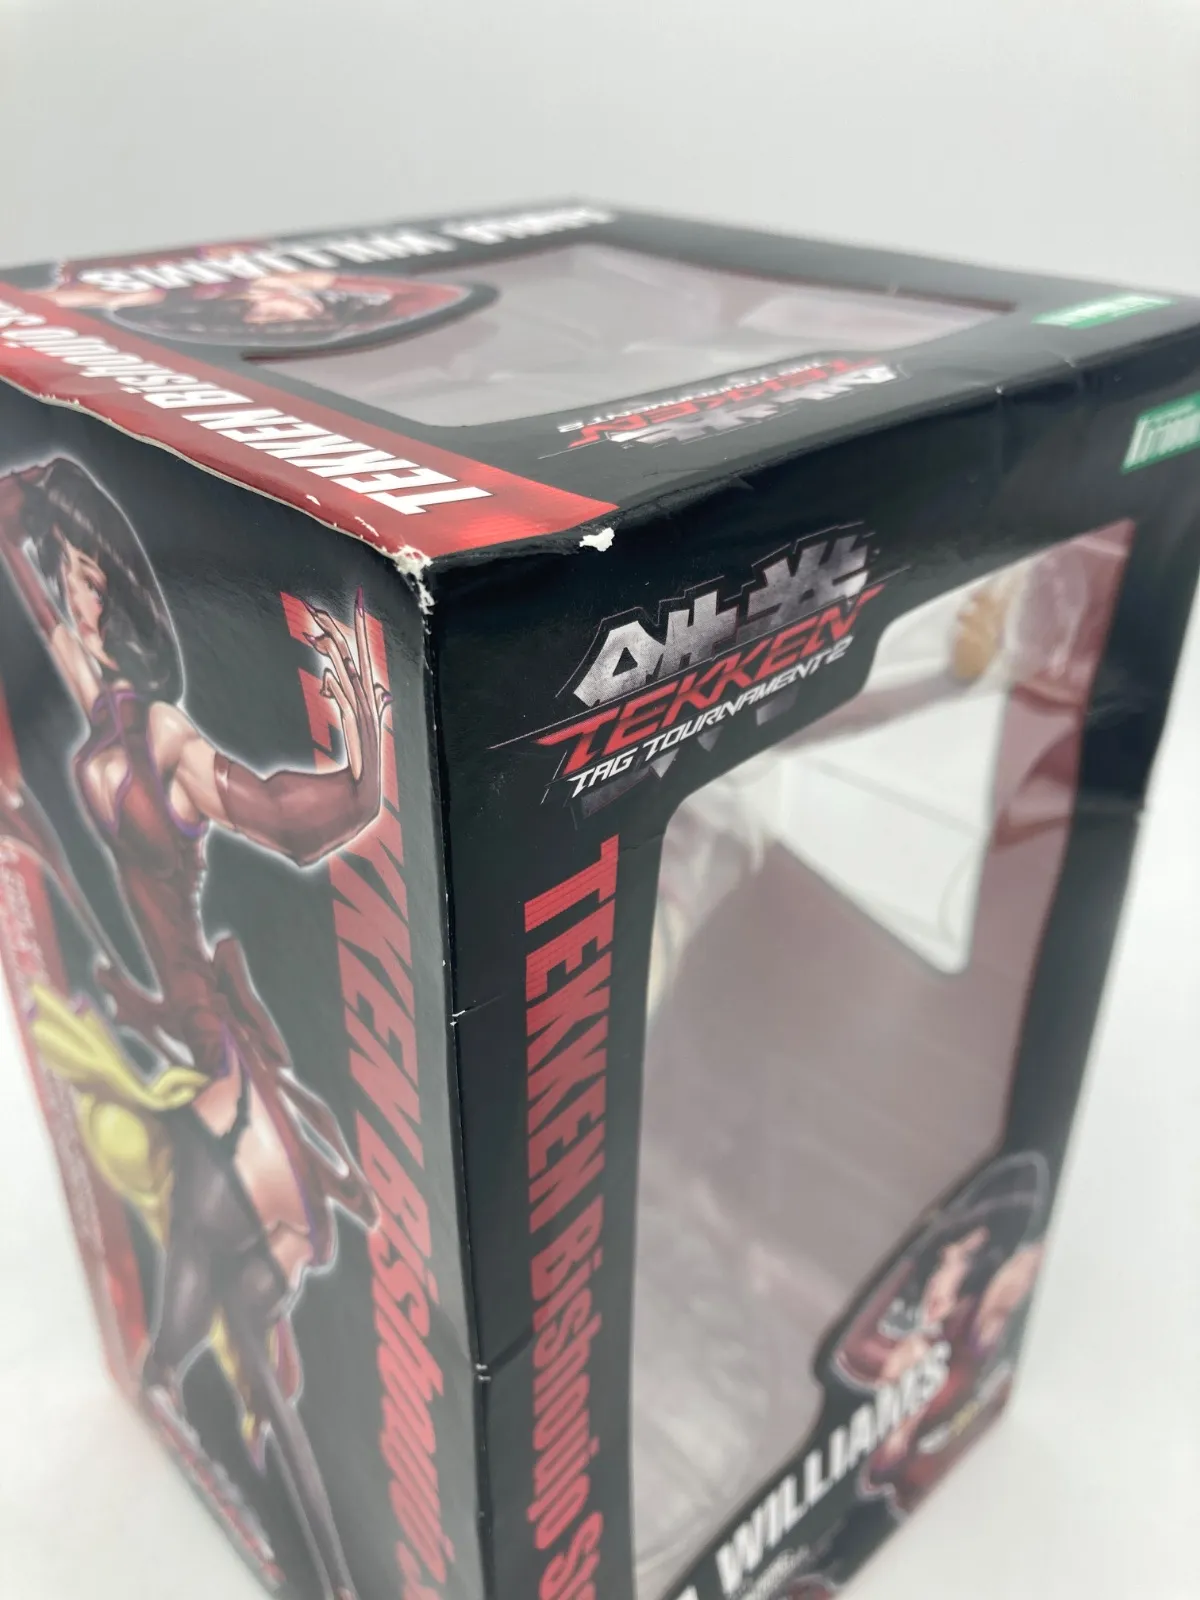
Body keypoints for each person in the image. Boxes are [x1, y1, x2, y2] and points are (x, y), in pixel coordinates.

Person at [0, 457, 390, 1600]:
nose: (76, 595)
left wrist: (368, 742)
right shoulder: (93, 697)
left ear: (118, 598)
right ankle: (196, 1407)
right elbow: (30, 580)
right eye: (67, 576)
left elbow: (298, 819)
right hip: (175, 1026)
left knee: (214, 1269)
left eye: (90, 579)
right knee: (221, 1303)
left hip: (219, 1044)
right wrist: (30, 505)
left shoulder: (163, 736)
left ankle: (185, 1392)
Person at [831, 1156, 1047, 1515]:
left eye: (956, 1261)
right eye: (940, 1263)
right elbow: (852, 1343)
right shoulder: (889, 1353)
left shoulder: (974, 1329)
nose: (937, 1280)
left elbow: (1026, 1263)